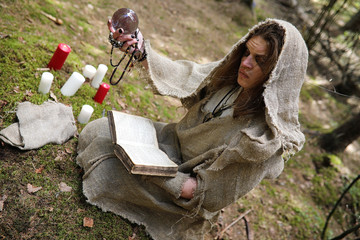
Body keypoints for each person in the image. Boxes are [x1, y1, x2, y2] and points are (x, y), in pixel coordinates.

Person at [76, 18, 308, 240]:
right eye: (247, 52)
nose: (245, 63)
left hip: (180, 187)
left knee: (105, 165)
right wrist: (140, 49)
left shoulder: (260, 141)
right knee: (99, 130)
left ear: (279, 73)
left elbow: (202, 193)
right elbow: (183, 76)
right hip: (168, 142)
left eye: (260, 60)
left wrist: (149, 169)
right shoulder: (229, 79)